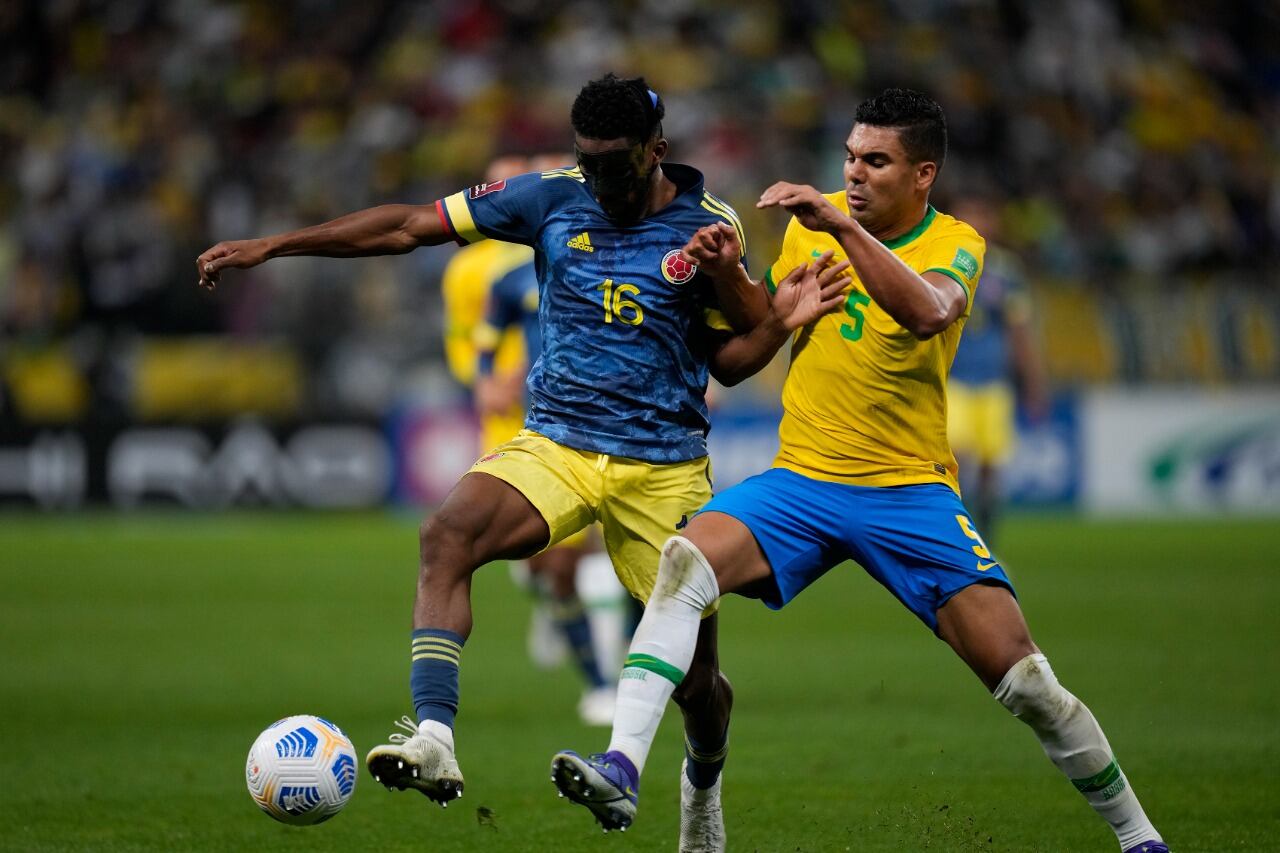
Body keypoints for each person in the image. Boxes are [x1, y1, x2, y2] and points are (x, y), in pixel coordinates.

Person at [194, 72, 848, 835]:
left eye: (615, 164)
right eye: (588, 161)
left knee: (697, 684)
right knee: (448, 534)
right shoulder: (549, 197)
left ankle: (702, 791)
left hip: (662, 464)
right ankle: (435, 735)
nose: (599, 180)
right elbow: (409, 225)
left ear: (655, 151)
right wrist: (275, 245)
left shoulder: (706, 224)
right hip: (556, 443)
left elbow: (735, 358)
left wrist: (726, 270)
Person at [553, 88, 1168, 853]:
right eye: (849, 157)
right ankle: (629, 769)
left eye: (876, 161)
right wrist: (732, 279)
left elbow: (927, 313)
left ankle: (1140, 837)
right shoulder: (806, 241)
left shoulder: (956, 243)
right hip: (802, 482)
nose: (854, 173)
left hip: (907, 491)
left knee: (1027, 680)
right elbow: (760, 324)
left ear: (922, 174)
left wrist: (840, 225)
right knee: (684, 564)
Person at [439, 152, 616, 725]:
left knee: (596, 554)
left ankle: (609, 679)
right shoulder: (481, 270)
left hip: (595, 420)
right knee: (543, 560)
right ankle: (558, 605)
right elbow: (471, 341)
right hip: (517, 421)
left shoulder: (606, 249)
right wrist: (483, 380)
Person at [946, 193, 1048, 545]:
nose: (975, 222)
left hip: (993, 383)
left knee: (990, 466)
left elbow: (1020, 333)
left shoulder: (1006, 272)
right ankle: (953, 536)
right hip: (952, 380)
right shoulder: (943, 261)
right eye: (967, 213)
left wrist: (1034, 386)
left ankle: (984, 542)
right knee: (954, 461)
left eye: (981, 214)